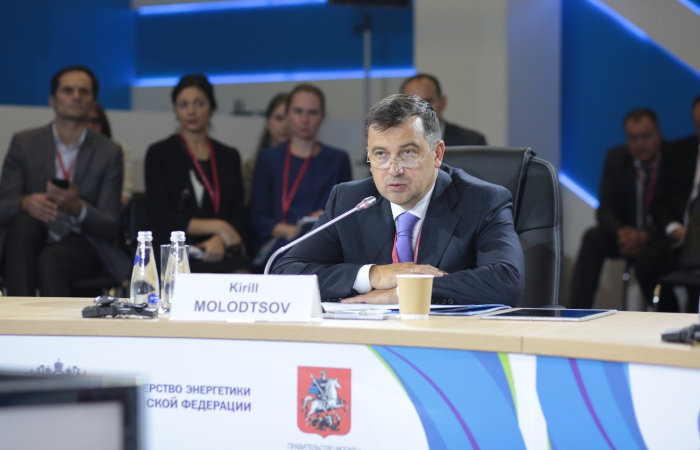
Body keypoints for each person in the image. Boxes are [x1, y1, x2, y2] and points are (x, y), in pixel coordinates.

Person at [272, 94, 524, 305]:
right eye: (381, 154)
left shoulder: (482, 201)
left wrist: (405, 292)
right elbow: (285, 273)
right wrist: (372, 276)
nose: (394, 169)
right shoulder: (349, 201)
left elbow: (506, 280)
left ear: (437, 154)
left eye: (408, 153)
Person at [0, 65, 126, 296]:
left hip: (83, 240)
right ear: (52, 100)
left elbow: (110, 225)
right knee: (22, 226)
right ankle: (20, 312)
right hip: (32, 233)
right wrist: (25, 203)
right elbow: (3, 207)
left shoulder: (109, 152)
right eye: (68, 90)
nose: (76, 96)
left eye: (83, 91)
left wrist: (77, 207)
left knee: (50, 259)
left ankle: (55, 320)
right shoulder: (24, 143)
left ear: (93, 102)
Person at [570, 109, 676, 310]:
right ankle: (576, 311)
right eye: (633, 138)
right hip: (627, 237)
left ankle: (670, 316)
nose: (640, 143)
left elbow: (678, 213)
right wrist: (622, 232)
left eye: (646, 136)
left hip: (660, 238)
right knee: (593, 238)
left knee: (658, 255)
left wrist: (645, 236)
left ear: (659, 134)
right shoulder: (616, 157)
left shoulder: (675, 158)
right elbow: (604, 209)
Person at [145, 74, 250, 273]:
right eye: (183, 104)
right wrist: (219, 227)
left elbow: (239, 215)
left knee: (243, 275)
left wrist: (220, 239)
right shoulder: (160, 153)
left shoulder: (229, 156)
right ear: (176, 110)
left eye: (199, 103)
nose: (191, 111)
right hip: (176, 250)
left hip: (221, 247)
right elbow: (160, 216)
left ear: (212, 108)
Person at [250, 84, 352, 267]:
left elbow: (346, 214)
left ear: (322, 116)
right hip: (281, 244)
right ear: (288, 114)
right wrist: (292, 231)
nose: (305, 119)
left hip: (323, 244)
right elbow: (258, 217)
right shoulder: (269, 158)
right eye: (298, 111)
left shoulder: (338, 159)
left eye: (312, 112)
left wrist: (327, 219)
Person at [648, 96, 700, 313]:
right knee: (648, 261)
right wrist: (675, 229)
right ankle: (670, 316)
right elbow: (658, 202)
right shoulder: (677, 152)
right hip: (680, 237)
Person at [401, 73, 487, 147]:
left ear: (442, 102)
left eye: (428, 102)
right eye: (412, 104)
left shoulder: (472, 142)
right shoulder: (394, 144)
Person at [241, 93, 290, 206]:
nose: (285, 125)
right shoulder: (251, 167)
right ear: (267, 122)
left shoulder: (306, 165)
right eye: (279, 118)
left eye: (289, 119)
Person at [86, 102, 133, 205]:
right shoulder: (69, 150)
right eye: (84, 121)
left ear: (103, 124)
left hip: (109, 209)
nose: (89, 126)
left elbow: (125, 194)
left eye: (94, 121)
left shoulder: (118, 150)